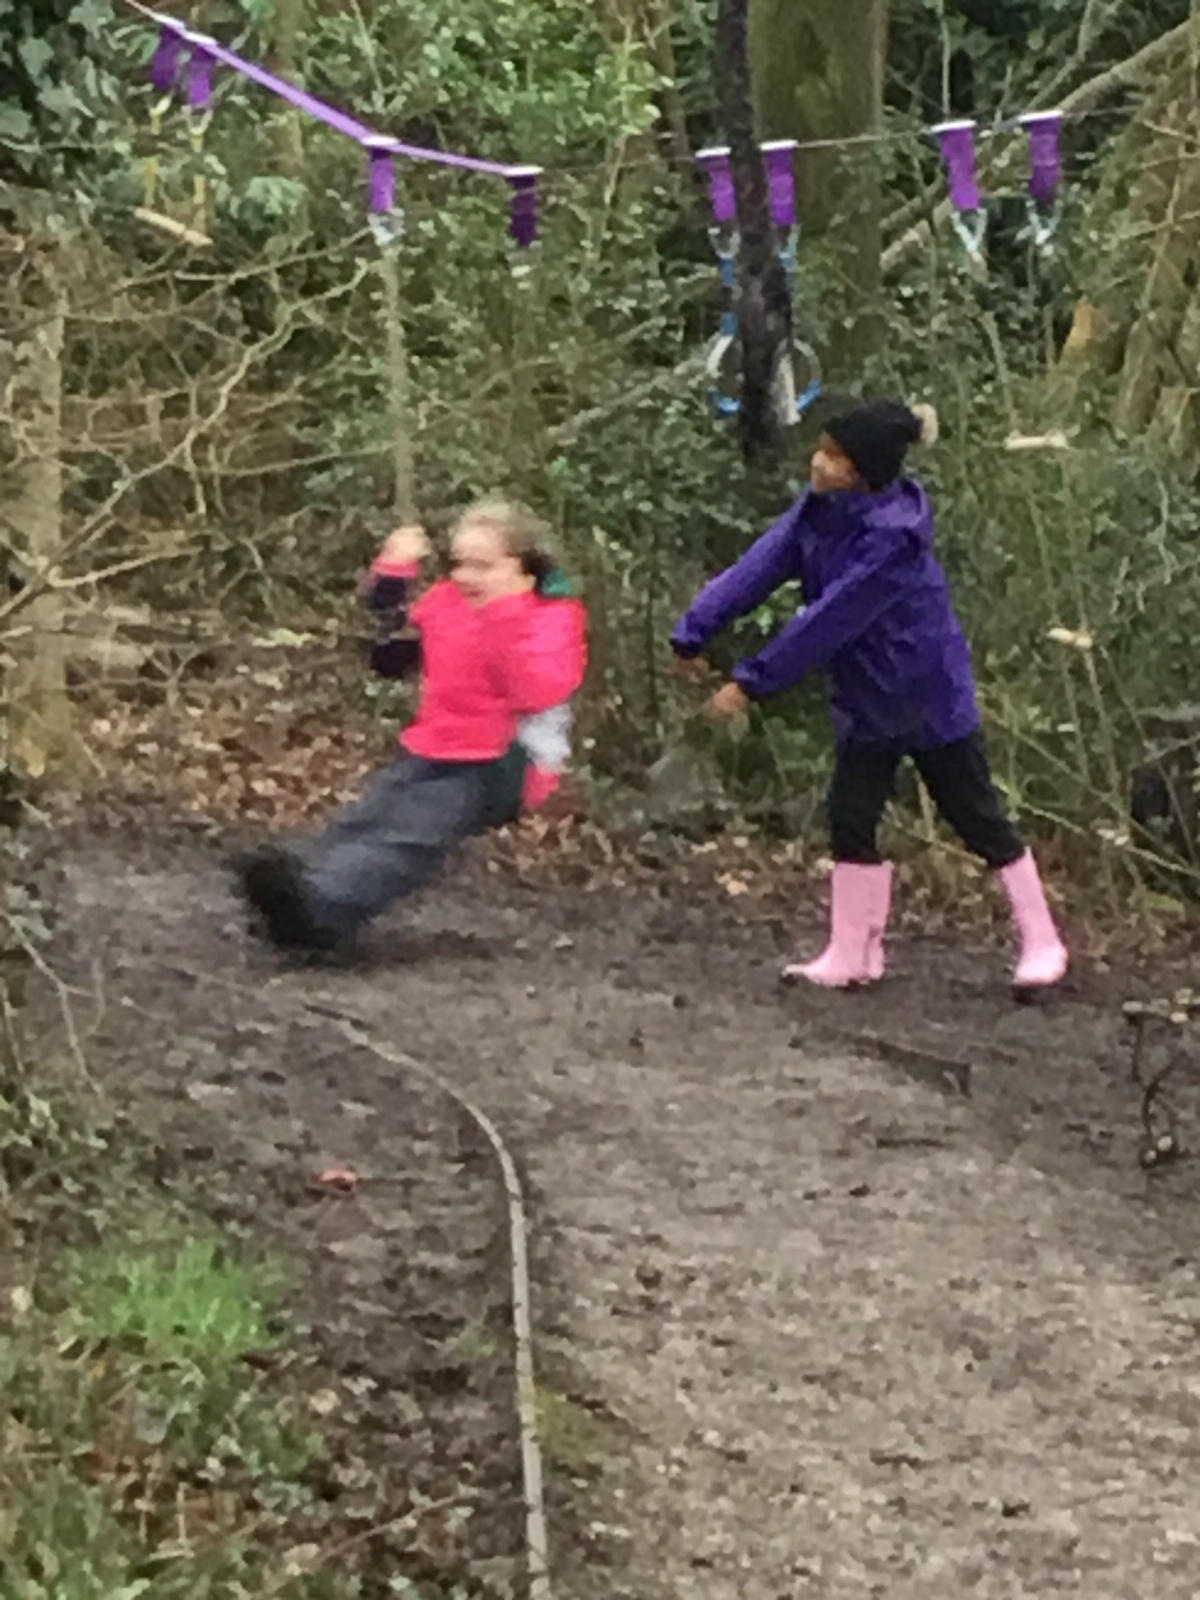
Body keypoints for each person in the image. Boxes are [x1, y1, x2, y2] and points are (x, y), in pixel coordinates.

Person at [670, 399, 1068, 992]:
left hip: (927, 695)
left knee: (976, 816)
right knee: (850, 817)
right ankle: (853, 952)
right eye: (822, 449)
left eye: (833, 456)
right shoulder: (819, 509)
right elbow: (762, 563)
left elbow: (827, 621)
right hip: (866, 698)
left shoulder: (893, 541)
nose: (819, 461)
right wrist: (694, 630)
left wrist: (750, 683)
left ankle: (1043, 941)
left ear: (861, 471)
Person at [236, 498, 587, 955]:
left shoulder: (549, 619)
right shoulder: (447, 601)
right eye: (459, 563)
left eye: (483, 566)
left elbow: (536, 691)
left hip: (506, 762)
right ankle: (298, 890)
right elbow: (389, 656)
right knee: (371, 815)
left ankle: (325, 911)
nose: (466, 576)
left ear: (525, 571)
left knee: (410, 836)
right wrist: (392, 579)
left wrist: (500, 617)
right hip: (437, 744)